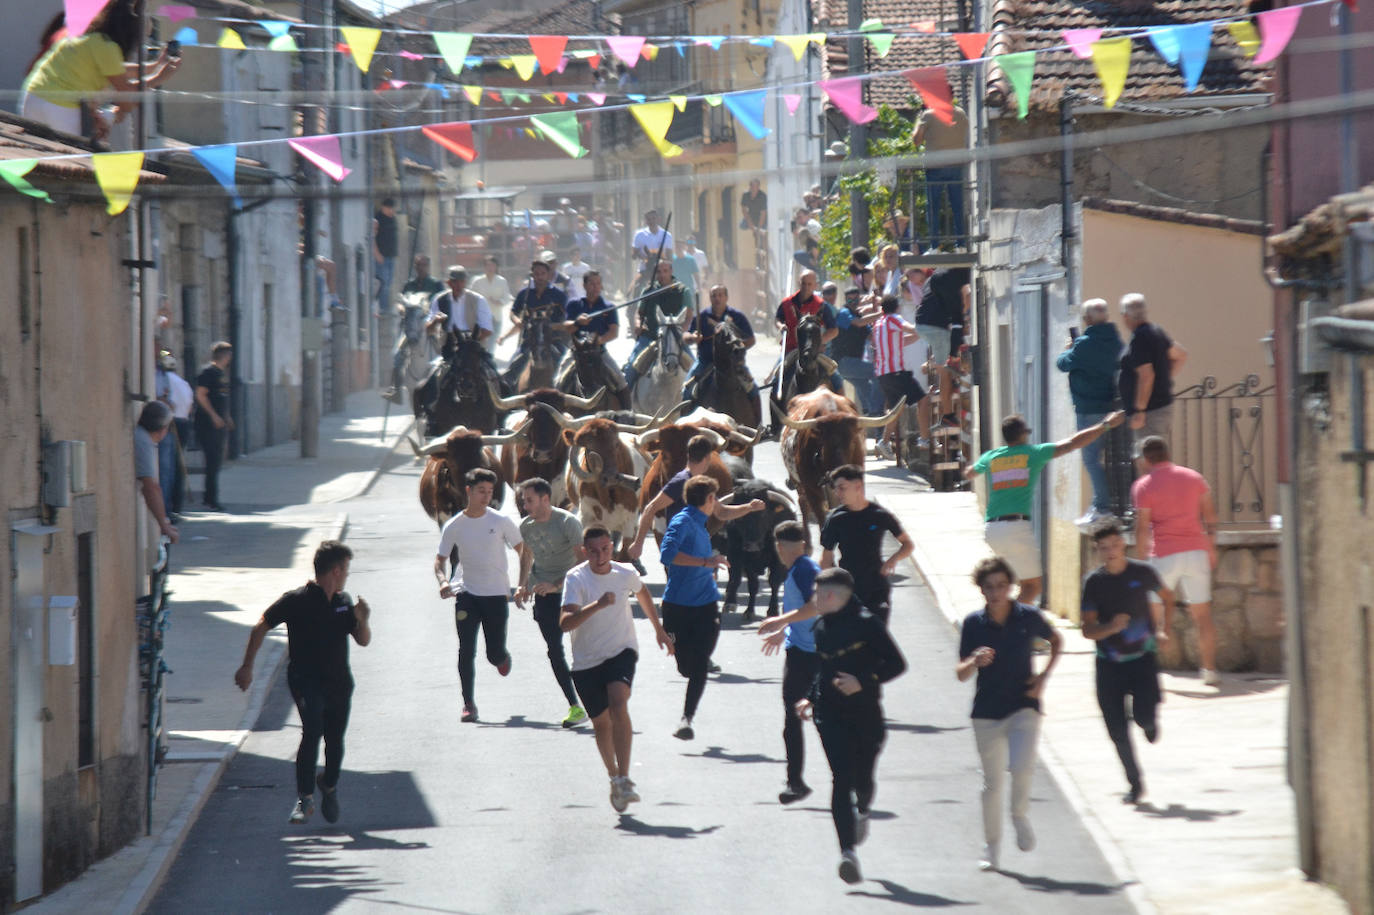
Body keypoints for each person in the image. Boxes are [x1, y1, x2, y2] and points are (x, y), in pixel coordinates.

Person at [234, 541, 372, 824]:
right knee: (312, 730)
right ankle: (304, 798)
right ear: (335, 571)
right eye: (345, 570)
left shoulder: (343, 603)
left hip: (339, 683)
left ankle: (328, 785)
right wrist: (247, 666)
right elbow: (261, 626)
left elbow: (363, 641)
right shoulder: (297, 600)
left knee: (335, 742)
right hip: (305, 680)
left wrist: (363, 620)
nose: (346, 575)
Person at [795, 568, 907, 884]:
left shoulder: (867, 623)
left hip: (865, 712)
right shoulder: (820, 627)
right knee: (840, 778)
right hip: (829, 714)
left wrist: (864, 680)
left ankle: (865, 809)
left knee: (863, 779)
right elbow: (824, 669)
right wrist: (809, 697)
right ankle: (848, 853)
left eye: (816, 594)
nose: (812, 600)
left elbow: (898, 663)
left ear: (831, 596)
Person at [957, 556, 1063, 872]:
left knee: (1022, 766)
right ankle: (991, 846)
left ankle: (1019, 815)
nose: (996, 592)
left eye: (1002, 586)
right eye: (989, 587)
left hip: (1023, 704)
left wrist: (1042, 679)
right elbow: (960, 673)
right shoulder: (974, 624)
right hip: (987, 712)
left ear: (1011, 586)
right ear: (982, 590)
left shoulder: (1028, 617)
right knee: (992, 784)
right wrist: (974, 660)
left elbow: (1057, 640)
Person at [560, 525, 674, 812]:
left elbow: (643, 593)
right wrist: (596, 606)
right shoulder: (576, 579)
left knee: (619, 702)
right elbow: (565, 623)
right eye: (594, 551)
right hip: (586, 661)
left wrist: (659, 629)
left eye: (606, 549)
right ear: (585, 552)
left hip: (621, 650)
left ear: (612, 546)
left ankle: (624, 777)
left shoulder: (625, 573)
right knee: (601, 723)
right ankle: (613, 776)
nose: (601, 556)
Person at [965, 412, 1125, 606]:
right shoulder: (1033, 453)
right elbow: (1072, 443)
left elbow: (970, 472)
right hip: (1016, 528)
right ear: (1023, 434)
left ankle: (1014, 623)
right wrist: (1105, 425)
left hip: (992, 529)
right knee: (1032, 587)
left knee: (1015, 584)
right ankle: (1006, 622)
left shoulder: (991, 457)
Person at [1081, 523, 1176, 805]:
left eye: (1114, 545)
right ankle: (1135, 783)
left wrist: (1163, 629)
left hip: (1142, 660)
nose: (1110, 552)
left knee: (1144, 717)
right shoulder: (1094, 583)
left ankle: (1148, 722)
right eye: (1104, 548)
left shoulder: (1142, 572)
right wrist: (1109, 627)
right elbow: (1087, 630)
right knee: (1117, 731)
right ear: (1098, 551)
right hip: (1108, 665)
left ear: (1123, 544)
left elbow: (1168, 598)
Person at [20, 0, 181, 139]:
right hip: (60, 108)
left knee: (40, 159)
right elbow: (127, 100)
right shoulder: (107, 48)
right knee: (71, 162)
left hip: (33, 97)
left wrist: (153, 66)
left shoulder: (88, 37)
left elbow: (114, 70)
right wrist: (158, 79)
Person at [434, 469, 521, 723]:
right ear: (468, 491)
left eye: (490, 492)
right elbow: (439, 560)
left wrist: (524, 582)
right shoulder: (454, 525)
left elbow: (523, 550)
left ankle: (502, 657)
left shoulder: (500, 521)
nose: (487, 497)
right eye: (481, 491)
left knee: (493, 654)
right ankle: (468, 704)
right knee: (466, 650)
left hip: (495, 594)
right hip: (466, 593)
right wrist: (442, 582)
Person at [1132, 437, 1221, 685]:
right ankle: (1210, 671)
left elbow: (1142, 528)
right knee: (1202, 615)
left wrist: (1141, 562)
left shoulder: (1143, 485)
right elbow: (1211, 519)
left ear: (1145, 458)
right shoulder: (1194, 478)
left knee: (1153, 614)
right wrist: (1211, 549)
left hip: (1163, 554)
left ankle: (1149, 669)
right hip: (1196, 551)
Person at [512, 479, 589, 727]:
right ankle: (575, 707)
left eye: (529, 500)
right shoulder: (526, 526)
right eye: (524, 500)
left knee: (585, 650)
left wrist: (556, 584)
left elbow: (582, 561)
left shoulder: (567, 523)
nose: (525, 505)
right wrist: (522, 584)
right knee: (554, 650)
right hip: (545, 596)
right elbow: (527, 555)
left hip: (573, 592)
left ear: (546, 499)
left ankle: (599, 699)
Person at [658, 475, 729, 740]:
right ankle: (686, 714)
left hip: (707, 606)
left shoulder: (700, 523)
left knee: (699, 666)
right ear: (709, 499)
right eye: (715, 497)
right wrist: (704, 562)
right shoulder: (683, 521)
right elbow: (666, 555)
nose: (717, 503)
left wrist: (712, 559)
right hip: (677, 607)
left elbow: (702, 558)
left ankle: (686, 719)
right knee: (685, 668)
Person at [757, 521, 823, 805]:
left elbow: (818, 605)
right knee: (792, 719)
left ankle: (851, 781)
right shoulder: (799, 569)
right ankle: (795, 782)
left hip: (816, 657)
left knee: (821, 721)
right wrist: (784, 631)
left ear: (780, 547)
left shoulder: (805, 569)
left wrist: (780, 620)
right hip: (798, 652)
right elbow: (804, 611)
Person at [628, 434, 765, 561]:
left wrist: (749, 507)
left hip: (699, 549)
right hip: (682, 551)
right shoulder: (680, 482)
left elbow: (721, 512)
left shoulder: (702, 483)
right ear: (708, 458)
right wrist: (638, 544)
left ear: (688, 455)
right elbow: (651, 508)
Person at [1056, 298, 1124, 524]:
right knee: (1110, 458)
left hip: (1088, 407)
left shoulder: (1085, 344)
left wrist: (1068, 349)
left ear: (1087, 319)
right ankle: (1106, 504)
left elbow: (1063, 364)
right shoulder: (1116, 341)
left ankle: (1102, 506)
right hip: (1111, 405)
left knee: (1091, 458)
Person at [819, 464, 913, 624]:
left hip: (877, 587)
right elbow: (826, 559)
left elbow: (907, 544)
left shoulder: (879, 515)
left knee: (878, 639)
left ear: (858, 486)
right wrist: (827, 589)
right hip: (848, 589)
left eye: (842, 488)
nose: (837, 493)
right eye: (836, 489)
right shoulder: (836, 519)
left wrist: (893, 560)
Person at [1120, 293, 1187, 459]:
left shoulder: (1139, 339)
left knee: (1148, 461)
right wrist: (1163, 380)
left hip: (1150, 412)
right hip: (1160, 406)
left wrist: (1139, 410)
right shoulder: (1156, 331)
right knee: (1155, 459)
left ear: (1126, 316)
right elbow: (1180, 355)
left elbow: (1146, 375)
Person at [915, 266, 972, 433]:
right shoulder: (956, 277)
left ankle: (952, 373)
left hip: (925, 325)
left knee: (945, 365)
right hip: (935, 327)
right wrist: (965, 313)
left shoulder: (936, 278)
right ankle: (948, 415)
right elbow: (968, 294)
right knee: (944, 371)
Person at [383, 254, 446, 402]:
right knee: (397, 355)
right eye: (418, 265)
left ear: (428, 266)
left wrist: (434, 317)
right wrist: (401, 308)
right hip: (410, 326)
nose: (420, 268)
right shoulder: (409, 285)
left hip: (430, 325)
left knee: (444, 352)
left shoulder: (436, 285)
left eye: (423, 265)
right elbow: (400, 302)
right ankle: (396, 390)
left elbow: (442, 303)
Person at [870, 295, 926, 460]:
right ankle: (924, 439)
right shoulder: (894, 319)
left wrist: (919, 336)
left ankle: (884, 441)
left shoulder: (878, 324)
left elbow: (899, 342)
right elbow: (910, 329)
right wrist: (926, 328)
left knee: (896, 409)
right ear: (897, 308)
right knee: (924, 400)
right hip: (896, 372)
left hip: (883, 374)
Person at [623, 259, 691, 389]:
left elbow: (688, 316)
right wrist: (638, 324)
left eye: (665, 271)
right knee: (630, 369)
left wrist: (681, 333)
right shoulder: (648, 291)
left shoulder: (683, 291)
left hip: (675, 339)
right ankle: (626, 402)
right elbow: (639, 313)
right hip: (649, 337)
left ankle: (692, 402)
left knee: (693, 369)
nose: (662, 275)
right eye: (659, 272)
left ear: (671, 271)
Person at [559, 270, 628, 396]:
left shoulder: (608, 306)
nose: (595, 287)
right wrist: (578, 323)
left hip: (599, 350)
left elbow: (614, 332)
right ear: (584, 285)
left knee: (621, 381)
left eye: (598, 283)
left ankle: (627, 412)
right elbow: (567, 327)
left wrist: (598, 341)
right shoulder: (574, 304)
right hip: (576, 351)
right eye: (592, 283)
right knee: (559, 381)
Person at [682, 284, 755, 402]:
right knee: (686, 391)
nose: (717, 298)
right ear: (710, 298)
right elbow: (685, 336)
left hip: (733, 364)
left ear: (726, 297)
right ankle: (684, 419)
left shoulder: (737, 316)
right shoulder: (701, 316)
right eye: (714, 295)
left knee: (753, 391)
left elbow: (751, 340)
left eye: (720, 295)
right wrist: (693, 337)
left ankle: (758, 420)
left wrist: (738, 347)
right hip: (705, 362)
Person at [911, 104, 969, 248]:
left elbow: (916, 140)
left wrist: (919, 121)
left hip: (935, 167)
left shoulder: (929, 115)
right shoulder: (961, 113)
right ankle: (961, 244)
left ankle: (935, 245)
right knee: (957, 206)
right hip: (956, 165)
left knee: (933, 207)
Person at [504, 260, 569, 387]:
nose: (540, 277)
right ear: (532, 275)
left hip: (553, 340)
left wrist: (558, 326)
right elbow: (513, 312)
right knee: (511, 370)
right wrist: (517, 321)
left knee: (567, 365)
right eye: (537, 274)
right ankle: (508, 397)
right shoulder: (524, 294)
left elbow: (569, 317)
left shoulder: (559, 295)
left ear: (548, 275)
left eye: (543, 273)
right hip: (530, 341)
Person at [194, 341, 233, 512]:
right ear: (225, 355)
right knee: (212, 462)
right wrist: (214, 416)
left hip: (219, 424)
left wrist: (227, 417)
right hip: (208, 425)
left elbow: (221, 398)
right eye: (229, 354)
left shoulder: (220, 373)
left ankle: (210, 497)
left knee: (216, 462)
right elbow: (201, 395)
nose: (230, 358)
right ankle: (210, 499)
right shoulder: (207, 372)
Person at [833, 287, 884, 417]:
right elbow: (859, 323)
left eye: (856, 298)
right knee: (879, 373)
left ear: (860, 299)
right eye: (850, 299)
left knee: (865, 388)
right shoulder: (844, 313)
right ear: (845, 300)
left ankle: (870, 413)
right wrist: (883, 313)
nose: (853, 301)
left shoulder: (859, 315)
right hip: (846, 363)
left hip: (852, 365)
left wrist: (879, 320)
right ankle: (875, 410)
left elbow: (871, 336)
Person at [155, 351, 194, 519]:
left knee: (167, 466)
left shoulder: (163, 381)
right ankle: (176, 505)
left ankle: (169, 505)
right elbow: (189, 405)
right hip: (182, 422)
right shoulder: (183, 383)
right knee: (177, 465)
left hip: (169, 422)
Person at [135, 400, 180, 544]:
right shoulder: (144, 442)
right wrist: (164, 525)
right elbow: (151, 487)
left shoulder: (141, 436)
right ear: (163, 429)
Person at [776, 270, 837, 353]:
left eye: (809, 284)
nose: (806, 287)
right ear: (799, 283)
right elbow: (778, 319)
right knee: (778, 366)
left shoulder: (821, 305)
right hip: (790, 350)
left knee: (832, 366)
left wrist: (818, 342)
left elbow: (834, 330)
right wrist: (780, 326)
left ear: (815, 286)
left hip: (813, 353)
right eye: (803, 283)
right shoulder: (786, 303)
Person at [469, 255, 512, 352]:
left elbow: (507, 297)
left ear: (496, 267)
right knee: (479, 344)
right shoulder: (477, 281)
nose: (490, 268)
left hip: (495, 317)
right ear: (484, 267)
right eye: (488, 265)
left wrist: (499, 302)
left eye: (492, 265)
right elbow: (470, 298)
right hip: (480, 318)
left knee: (491, 345)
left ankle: (489, 362)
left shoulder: (501, 281)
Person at [372, 198, 399, 317]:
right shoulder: (377, 219)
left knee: (389, 282)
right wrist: (376, 253)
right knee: (383, 283)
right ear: (384, 207)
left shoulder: (392, 218)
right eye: (390, 208)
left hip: (390, 256)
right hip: (381, 257)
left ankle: (385, 307)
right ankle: (383, 308)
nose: (392, 211)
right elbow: (372, 238)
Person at [631, 209, 673, 283]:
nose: (651, 221)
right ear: (646, 221)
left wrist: (664, 263)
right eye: (648, 219)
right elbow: (634, 255)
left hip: (661, 271)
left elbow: (669, 256)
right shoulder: (639, 235)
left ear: (658, 219)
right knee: (636, 288)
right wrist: (643, 256)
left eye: (653, 218)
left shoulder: (667, 235)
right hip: (645, 270)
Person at [673, 238, 701, 308]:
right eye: (677, 246)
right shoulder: (672, 259)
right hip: (675, 291)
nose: (679, 248)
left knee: (690, 309)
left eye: (680, 246)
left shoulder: (690, 259)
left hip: (689, 290)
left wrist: (699, 287)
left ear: (684, 247)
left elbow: (696, 275)